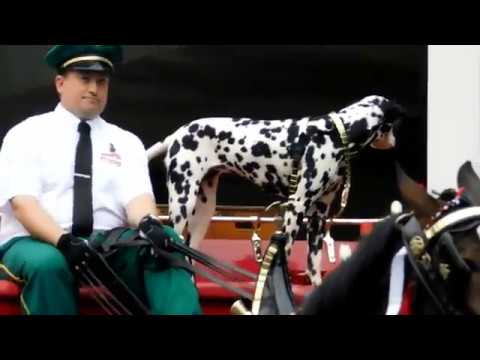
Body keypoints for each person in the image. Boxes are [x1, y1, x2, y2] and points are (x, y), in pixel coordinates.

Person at [0, 45, 202, 315]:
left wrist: (148, 224)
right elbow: (23, 205)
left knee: (162, 243)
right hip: (36, 243)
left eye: (101, 81)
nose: (94, 88)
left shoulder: (126, 141)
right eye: (84, 79)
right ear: (60, 83)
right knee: (48, 264)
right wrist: (62, 241)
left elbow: (137, 200)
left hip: (106, 244)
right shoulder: (26, 134)